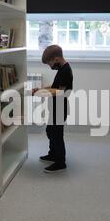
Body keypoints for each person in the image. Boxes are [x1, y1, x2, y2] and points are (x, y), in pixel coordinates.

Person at [33, 45, 73, 173]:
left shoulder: (66, 70)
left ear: (56, 59)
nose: (49, 66)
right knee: (50, 131)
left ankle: (60, 162)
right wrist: (42, 88)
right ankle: (53, 154)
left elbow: (60, 91)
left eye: (49, 63)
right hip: (55, 107)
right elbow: (55, 85)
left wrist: (41, 93)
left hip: (60, 108)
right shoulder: (61, 69)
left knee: (57, 135)